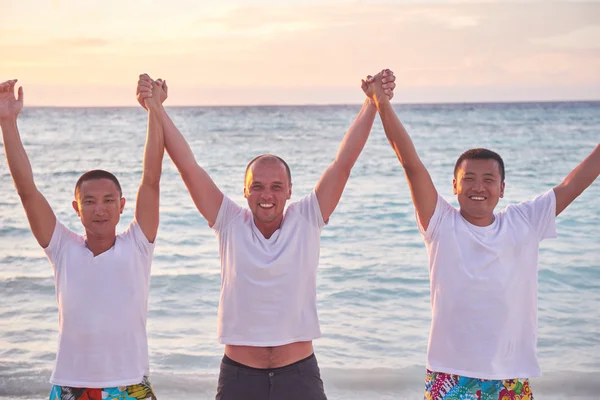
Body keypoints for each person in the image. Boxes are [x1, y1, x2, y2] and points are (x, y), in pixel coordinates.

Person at [136, 71, 396, 399]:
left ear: (289, 191)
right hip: (239, 376)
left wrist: (372, 103)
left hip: (299, 374)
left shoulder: (308, 216)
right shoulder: (229, 221)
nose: (266, 195)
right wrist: (156, 108)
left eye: (276, 187)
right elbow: (189, 166)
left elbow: (343, 163)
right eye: (257, 186)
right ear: (245, 191)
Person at [363, 73, 600, 399]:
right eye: (469, 178)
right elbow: (411, 163)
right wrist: (381, 104)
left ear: (502, 189)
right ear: (455, 186)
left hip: (510, 378)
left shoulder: (524, 222)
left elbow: (573, 184)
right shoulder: (440, 223)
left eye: (488, 179)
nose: (478, 187)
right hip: (450, 375)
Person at [0, 77, 167, 400]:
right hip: (71, 385)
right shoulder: (62, 248)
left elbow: (151, 179)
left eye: (108, 200)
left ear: (121, 206)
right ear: (77, 208)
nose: (99, 209)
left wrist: (153, 109)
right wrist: (7, 121)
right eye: (89, 201)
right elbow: (26, 190)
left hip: (129, 384)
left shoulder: (138, 245)